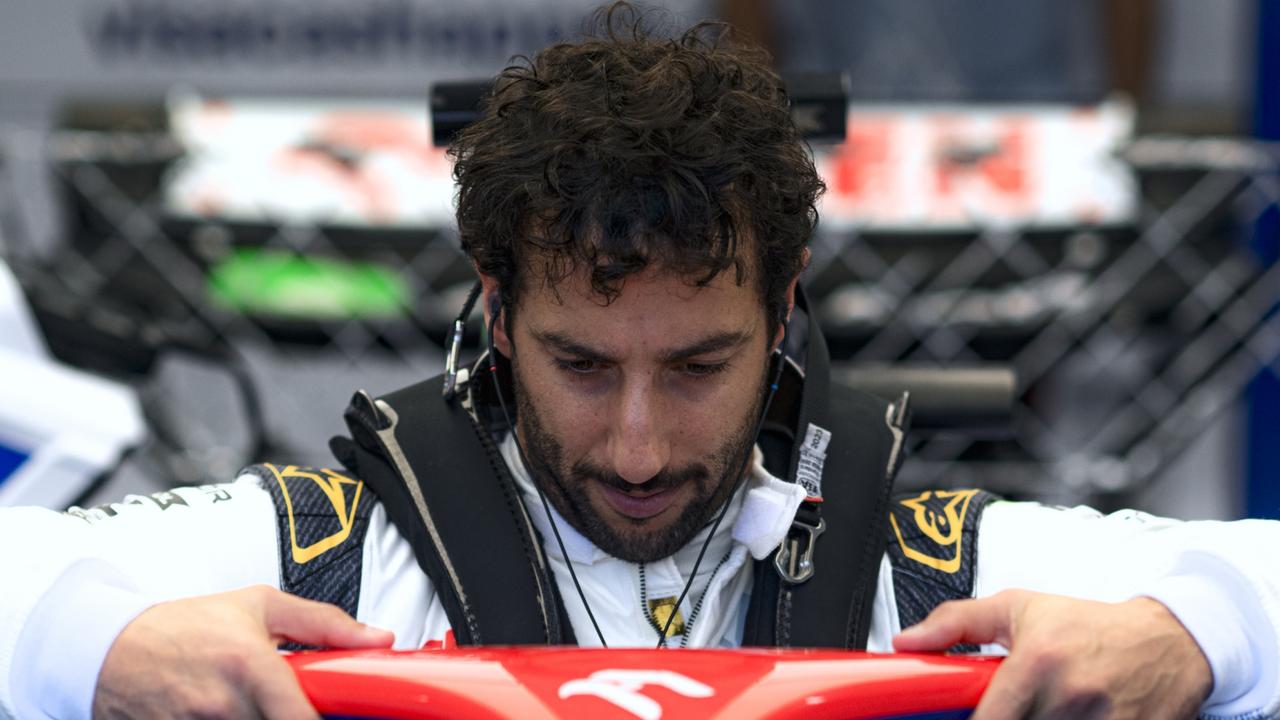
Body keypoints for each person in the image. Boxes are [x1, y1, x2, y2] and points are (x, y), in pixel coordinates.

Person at [1, 4, 1277, 719]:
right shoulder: (332, 554)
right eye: (581, 365)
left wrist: (1192, 630)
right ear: (495, 315)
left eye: (697, 367)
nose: (638, 446)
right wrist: (89, 641)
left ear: (785, 315)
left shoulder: (925, 568)